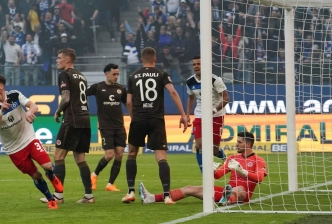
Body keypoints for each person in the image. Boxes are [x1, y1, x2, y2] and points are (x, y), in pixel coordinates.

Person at [0, 73, 63, 209]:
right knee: (36, 175)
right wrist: (1, 111)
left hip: (29, 139)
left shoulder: (14, 95)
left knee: (48, 166)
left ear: (1, 86)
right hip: (13, 149)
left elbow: (33, 105)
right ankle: (51, 199)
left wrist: (29, 112)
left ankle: (52, 176)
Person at [122, 47, 188, 204]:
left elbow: (129, 102)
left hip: (138, 119)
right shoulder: (162, 74)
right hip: (156, 119)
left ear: (142, 59)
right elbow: (172, 92)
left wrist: (134, 117)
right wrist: (183, 115)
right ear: (155, 59)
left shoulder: (133, 76)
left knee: (132, 153)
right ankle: (166, 195)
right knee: (161, 156)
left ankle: (130, 192)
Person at [139, 132, 267, 205]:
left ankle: (228, 199)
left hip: (243, 195)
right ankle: (151, 198)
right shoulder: (233, 158)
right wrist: (212, 170)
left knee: (238, 189)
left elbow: (260, 179)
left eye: (239, 142)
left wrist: (242, 171)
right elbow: (218, 176)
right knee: (189, 188)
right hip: (224, 192)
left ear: (248, 144)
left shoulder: (259, 160)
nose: (236, 144)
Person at [40, 48, 94, 204]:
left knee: (58, 156)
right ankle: (89, 196)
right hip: (85, 119)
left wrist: (58, 111)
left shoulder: (64, 74)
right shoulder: (81, 76)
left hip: (72, 119)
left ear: (67, 60)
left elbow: (66, 97)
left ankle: (58, 196)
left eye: (59, 58)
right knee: (80, 158)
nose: (57, 60)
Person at [86, 63, 127, 192]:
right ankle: (94, 175)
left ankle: (110, 184)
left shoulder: (121, 88)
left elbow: (128, 103)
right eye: (114, 74)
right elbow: (82, 94)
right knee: (109, 155)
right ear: (106, 74)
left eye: (117, 74)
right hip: (106, 126)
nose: (116, 77)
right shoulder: (98, 87)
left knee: (119, 155)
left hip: (119, 126)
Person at [186, 56, 230, 173]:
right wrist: (187, 115)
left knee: (214, 150)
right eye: (194, 64)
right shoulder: (190, 81)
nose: (196, 66)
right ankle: (205, 173)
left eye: (198, 64)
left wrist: (213, 111)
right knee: (199, 145)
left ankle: (226, 159)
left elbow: (226, 98)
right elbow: (191, 98)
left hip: (216, 116)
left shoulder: (215, 80)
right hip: (200, 115)